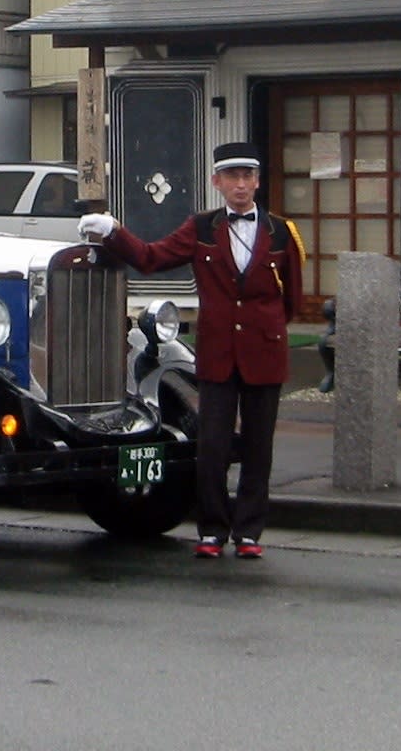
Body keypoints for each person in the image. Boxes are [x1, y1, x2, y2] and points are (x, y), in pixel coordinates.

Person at [78, 141, 304, 560]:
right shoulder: (200, 228)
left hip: (264, 350)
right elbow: (150, 258)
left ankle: (250, 532)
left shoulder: (280, 231)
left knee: (258, 447)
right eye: (231, 177)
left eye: (247, 177)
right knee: (212, 446)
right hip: (218, 352)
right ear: (217, 182)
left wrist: (266, 330)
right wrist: (113, 232)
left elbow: (291, 300)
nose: (240, 185)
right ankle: (213, 529)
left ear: (257, 181)